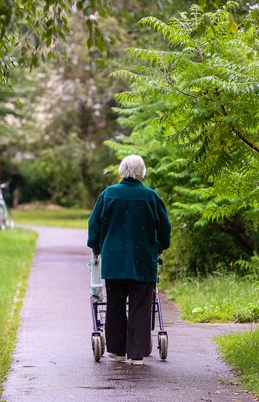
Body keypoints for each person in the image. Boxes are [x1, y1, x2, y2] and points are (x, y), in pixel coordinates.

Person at [87, 155, 171, 365]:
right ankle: (137, 354)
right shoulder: (151, 197)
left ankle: (117, 351)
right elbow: (164, 228)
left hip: (114, 260)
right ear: (142, 172)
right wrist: (160, 247)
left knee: (114, 305)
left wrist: (96, 247)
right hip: (143, 259)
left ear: (121, 170)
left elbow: (94, 224)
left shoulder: (108, 194)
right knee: (141, 307)